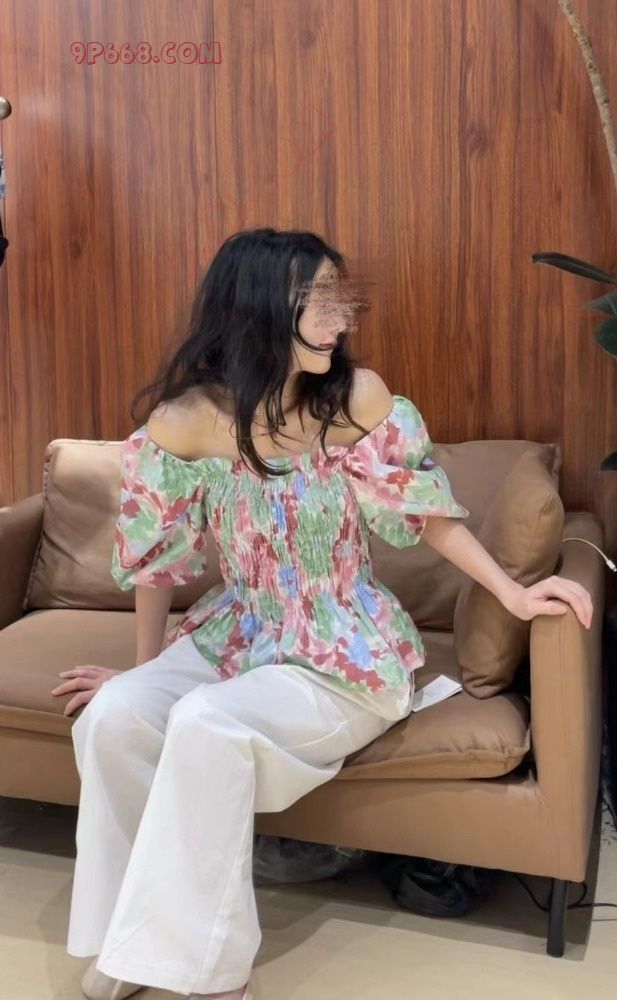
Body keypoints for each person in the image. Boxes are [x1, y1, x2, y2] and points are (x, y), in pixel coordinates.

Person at [52, 228, 593, 1000]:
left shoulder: (354, 398)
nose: (342, 319)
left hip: (342, 649)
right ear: (258, 308)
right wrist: (140, 675)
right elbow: (155, 559)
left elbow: (424, 511)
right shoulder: (186, 419)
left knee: (207, 724)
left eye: (343, 299)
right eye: (321, 302)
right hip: (236, 635)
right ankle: (128, 948)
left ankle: (210, 975)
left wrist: (513, 592)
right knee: (114, 716)